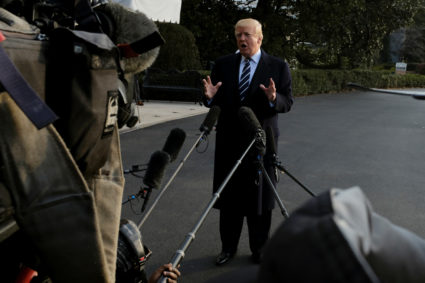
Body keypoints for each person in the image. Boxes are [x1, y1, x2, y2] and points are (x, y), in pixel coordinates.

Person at [202, 18, 294, 266]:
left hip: (261, 142)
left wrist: (274, 98)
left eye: (247, 35)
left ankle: (260, 249)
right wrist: (210, 99)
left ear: (259, 38)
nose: (242, 39)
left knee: (260, 200)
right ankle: (227, 248)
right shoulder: (223, 64)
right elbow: (215, 98)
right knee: (229, 197)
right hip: (229, 142)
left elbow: (288, 102)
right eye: (238, 35)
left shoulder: (277, 66)